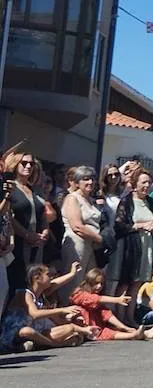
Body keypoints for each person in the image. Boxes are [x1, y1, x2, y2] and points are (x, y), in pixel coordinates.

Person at [1, 262, 88, 351]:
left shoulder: (40, 293)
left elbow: (56, 283)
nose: (51, 277)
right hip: (15, 333)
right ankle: (56, 344)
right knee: (27, 331)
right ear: (37, 278)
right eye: (48, 274)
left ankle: (34, 344)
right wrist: (62, 310)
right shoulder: (24, 293)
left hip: (35, 332)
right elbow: (34, 314)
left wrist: (72, 273)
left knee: (69, 329)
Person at [5, 149, 54, 301]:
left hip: (36, 244)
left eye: (31, 164)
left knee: (33, 284)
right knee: (16, 283)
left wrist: (45, 230)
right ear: (15, 164)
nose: (28, 166)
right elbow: (8, 216)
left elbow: (43, 214)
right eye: (24, 163)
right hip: (17, 244)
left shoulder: (35, 189)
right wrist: (26, 234)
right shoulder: (9, 187)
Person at [109, 170, 153, 314]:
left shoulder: (150, 202)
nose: (147, 185)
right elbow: (119, 225)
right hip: (130, 247)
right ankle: (119, 316)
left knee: (137, 283)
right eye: (143, 182)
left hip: (146, 245)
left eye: (149, 182)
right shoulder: (127, 201)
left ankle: (130, 317)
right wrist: (141, 225)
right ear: (135, 185)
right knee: (125, 282)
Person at [59, 166, 104, 302]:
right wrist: (100, 239)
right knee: (74, 282)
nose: (90, 182)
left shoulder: (90, 200)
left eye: (92, 179)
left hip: (90, 245)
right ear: (77, 182)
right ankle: (67, 312)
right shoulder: (73, 198)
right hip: (76, 244)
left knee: (89, 281)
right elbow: (77, 226)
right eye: (85, 179)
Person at [69, 268, 147, 341]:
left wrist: (125, 328)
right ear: (89, 282)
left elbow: (107, 315)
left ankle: (139, 334)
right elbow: (93, 299)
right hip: (81, 328)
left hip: (96, 329)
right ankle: (137, 334)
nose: (99, 286)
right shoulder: (78, 294)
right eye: (96, 283)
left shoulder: (98, 301)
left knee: (109, 330)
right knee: (106, 331)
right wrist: (117, 300)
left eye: (101, 284)